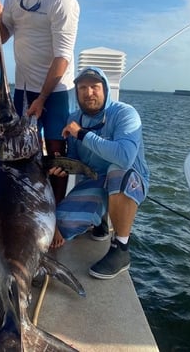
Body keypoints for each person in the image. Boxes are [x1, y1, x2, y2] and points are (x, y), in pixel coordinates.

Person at [0, 0, 80, 203]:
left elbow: (63, 57)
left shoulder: (63, 0)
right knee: (16, 149)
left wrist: (42, 98)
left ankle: (56, 211)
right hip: (22, 87)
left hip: (55, 89)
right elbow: (0, 37)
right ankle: (23, 203)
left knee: (54, 150)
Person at [50, 66, 150, 280]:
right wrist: (62, 165)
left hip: (128, 180)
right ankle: (100, 220)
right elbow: (77, 160)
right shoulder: (73, 118)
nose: (88, 92)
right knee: (59, 225)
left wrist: (82, 134)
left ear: (105, 89)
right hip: (95, 180)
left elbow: (124, 156)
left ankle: (121, 248)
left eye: (94, 86)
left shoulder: (125, 113)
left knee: (117, 171)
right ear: (76, 93)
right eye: (82, 88)